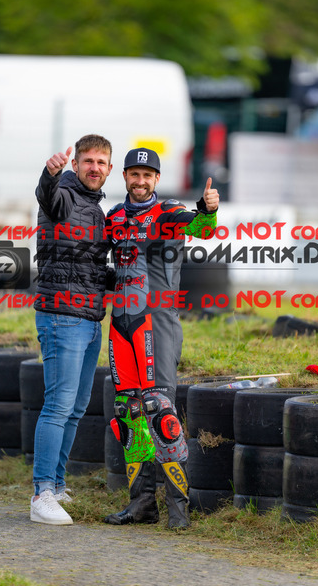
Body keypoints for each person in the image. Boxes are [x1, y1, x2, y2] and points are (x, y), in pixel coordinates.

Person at [104, 147, 219, 529]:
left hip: (157, 323)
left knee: (160, 410)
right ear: (125, 176)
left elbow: (201, 229)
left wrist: (208, 210)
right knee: (128, 413)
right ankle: (142, 505)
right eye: (134, 174)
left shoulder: (168, 213)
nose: (140, 181)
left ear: (156, 179)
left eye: (147, 175)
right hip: (121, 324)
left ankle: (178, 511)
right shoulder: (113, 216)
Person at [31, 134, 112, 525]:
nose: (94, 168)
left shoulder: (95, 209)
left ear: (109, 169)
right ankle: (42, 493)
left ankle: (58, 485)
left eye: (101, 162)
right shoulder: (63, 194)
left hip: (90, 319)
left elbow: (91, 268)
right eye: (88, 161)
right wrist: (50, 174)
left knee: (76, 409)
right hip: (62, 317)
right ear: (75, 165)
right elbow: (47, 196)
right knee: (58, 406)